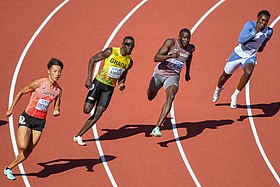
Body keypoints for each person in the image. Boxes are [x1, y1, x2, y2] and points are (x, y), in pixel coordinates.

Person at [4, 58, 63, 180]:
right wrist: (11, 109)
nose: (57, 74)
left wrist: (57, 110)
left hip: (40, 122)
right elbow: (21, 92)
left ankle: (8, 168)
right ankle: (24, 132)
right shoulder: (39, 83)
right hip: (28, 117)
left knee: (29, 150)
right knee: (23, 146)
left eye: (59, 72)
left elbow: (57, 106)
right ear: (49, 71)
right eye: (55, 71)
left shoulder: (58, 91)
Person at [73, 36, 135, 145]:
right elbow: (92, 59)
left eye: (132, 46)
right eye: (127, 44)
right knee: (86, 110)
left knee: (98, 113)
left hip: (109, 88)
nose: (129, 47)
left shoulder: (129, 62)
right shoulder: (111, 51)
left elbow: (123, 74)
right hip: (98, 83)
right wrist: (89, 78)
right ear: (122, 44)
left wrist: (121, 83)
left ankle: (78, 135)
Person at [212, 10, 273, 108]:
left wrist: (262, 46)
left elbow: (265, 41)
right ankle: (217, 90)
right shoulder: (249, 25)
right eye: (262, 20)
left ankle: (235, 95)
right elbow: (240, 39)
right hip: (238, 54)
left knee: (248, 73)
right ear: (257, 18)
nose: (263, 23)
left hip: (250, 56)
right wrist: (255, 31)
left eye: (266, 21)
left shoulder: (269, 31)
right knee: (224, 77)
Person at [147, 28, 195, 137]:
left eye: (188, 38)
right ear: (179, 37)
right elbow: (156, 58)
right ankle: (151, 91)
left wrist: (187, 72)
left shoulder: (191, 48)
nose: (186, 40)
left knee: (171, 97)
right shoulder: (171, 43)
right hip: (159, 73)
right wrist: (171, 56)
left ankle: (157, 127)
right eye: (184, 38)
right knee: (150, 95)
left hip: (173, 76)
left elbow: (189, 57)